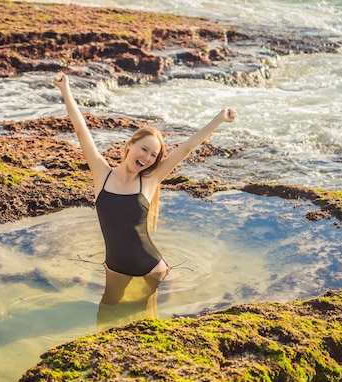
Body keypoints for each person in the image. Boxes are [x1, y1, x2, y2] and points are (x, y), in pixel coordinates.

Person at [53, 72, 237, 306]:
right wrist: (65, 89)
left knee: (147, 326)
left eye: (154, 155)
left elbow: (187, 148)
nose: (148, 158)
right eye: (144, 150)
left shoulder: (148, 181)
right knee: (104, 321)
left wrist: (219, 119)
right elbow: (81, 131)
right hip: (114, 270)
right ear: (130, 145)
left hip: (152, 271)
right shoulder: (102, 173)